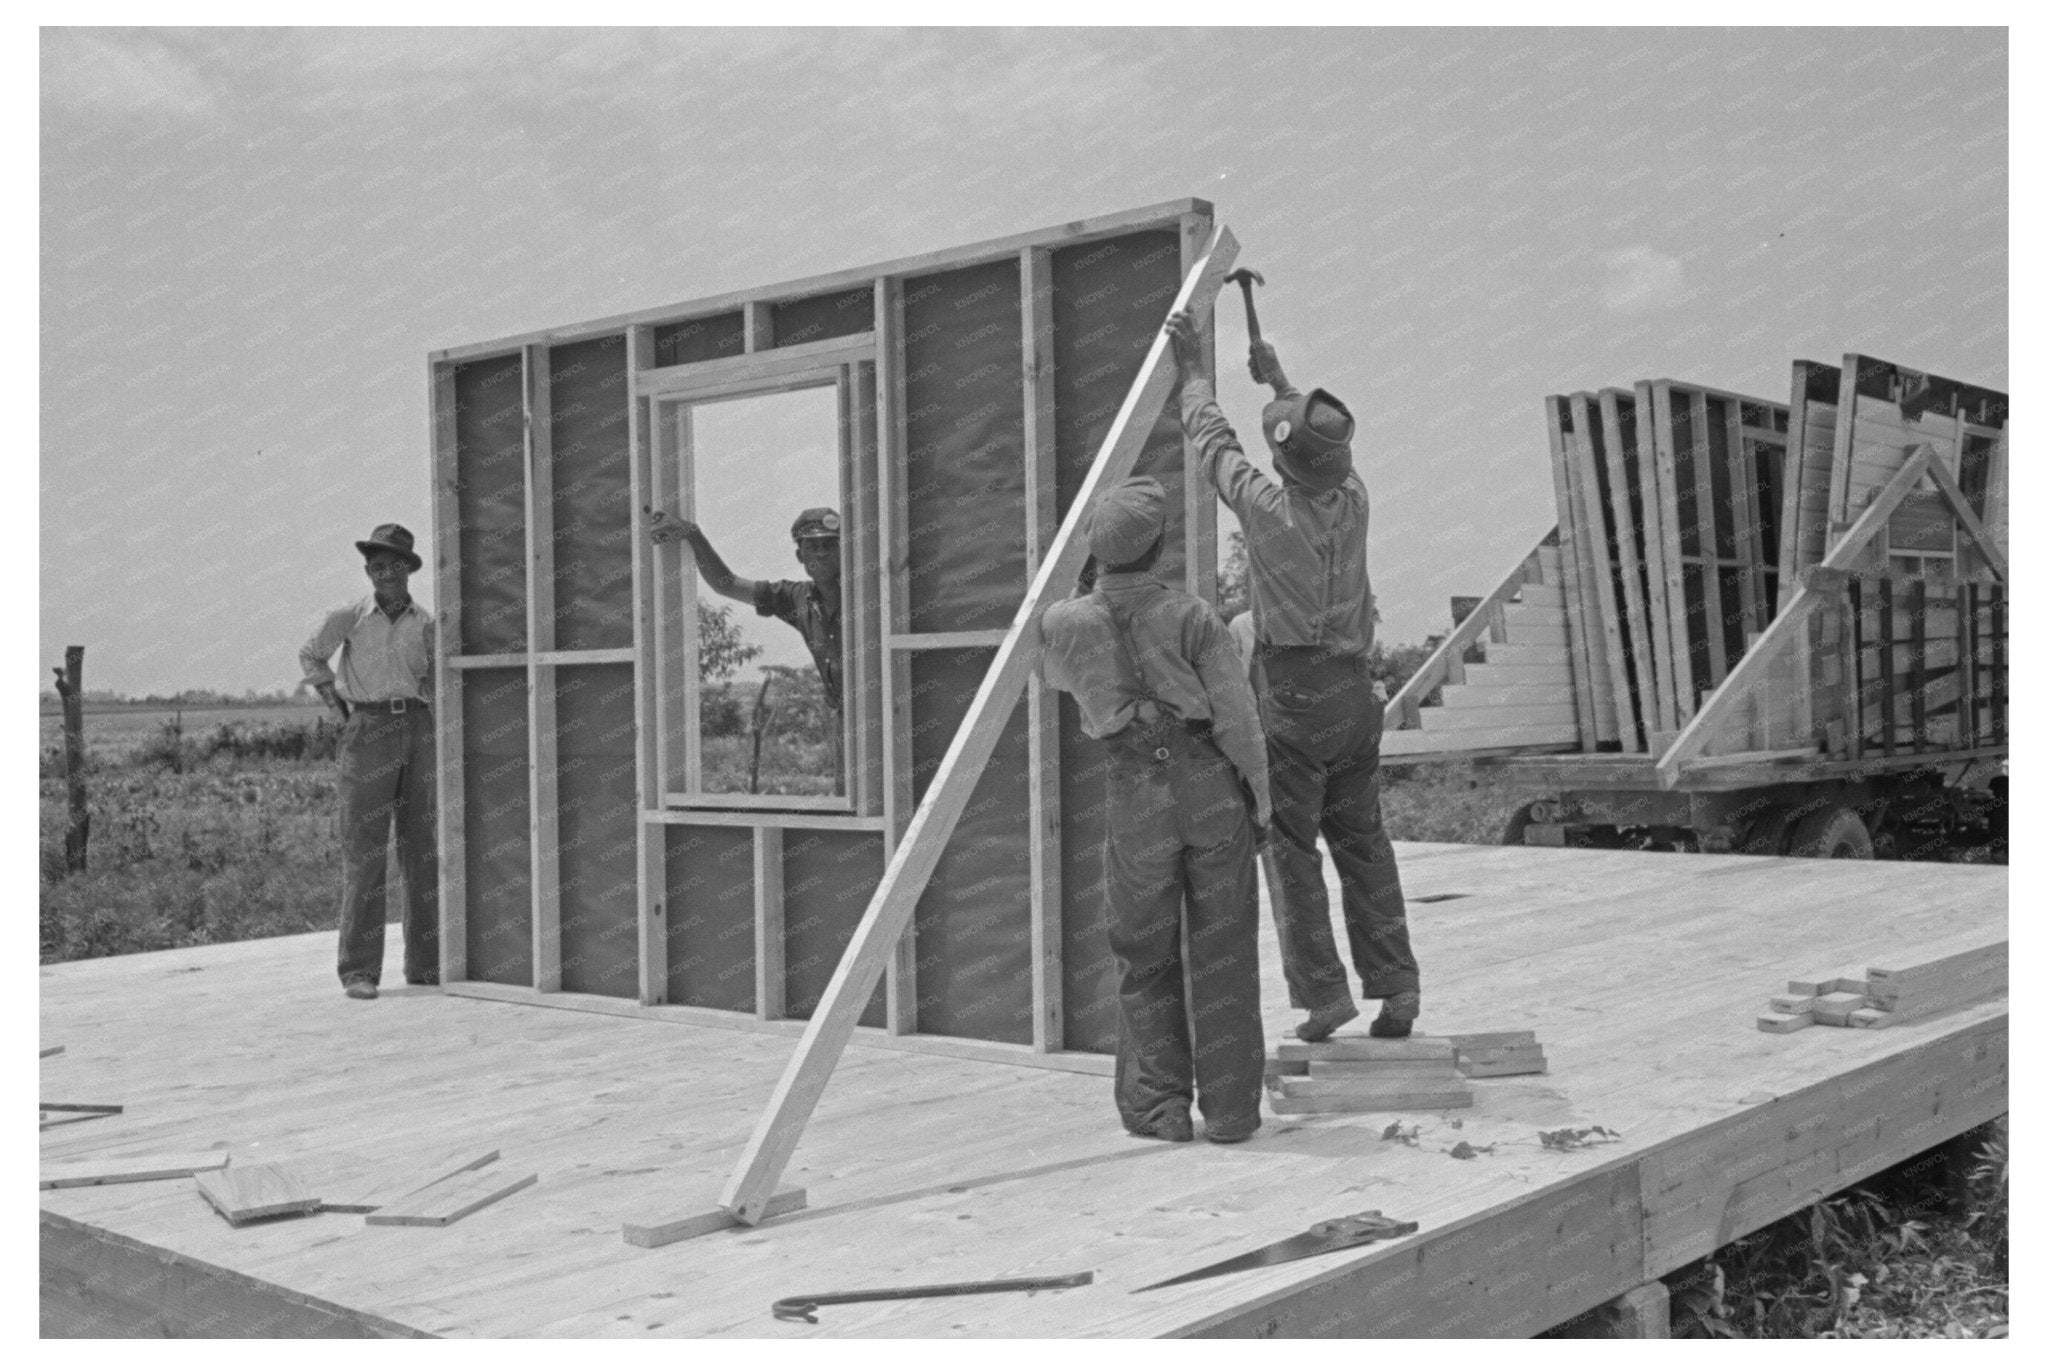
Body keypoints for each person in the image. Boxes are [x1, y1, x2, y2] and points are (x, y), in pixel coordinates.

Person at [1167, 308, 1423, 1042]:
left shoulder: (1268, 509)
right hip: (1354, 693)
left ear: (1283, 462)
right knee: (1364, 842)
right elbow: (1317, 442)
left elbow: (1213, 442)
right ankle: (1397, 988)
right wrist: (1277, 381)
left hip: (1295, 695)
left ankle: (1323, 993)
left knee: (1289, 846)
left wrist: (1192, 371)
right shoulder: (1356, 500)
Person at [1038, 477, 1273, 1145]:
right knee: (1223, 951)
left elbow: (1052, 672)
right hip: (1207, 784)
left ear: (1096, 548)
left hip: (1134, 789)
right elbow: (1238, 721)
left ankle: (1158, 1107)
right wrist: (1259, 800)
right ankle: (1230, 1112)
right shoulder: (1193, 616)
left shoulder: (1062, 622)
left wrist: (1094, 576)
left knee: (1143, 952)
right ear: (1160, 543)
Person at [299, 523, 438, 1001]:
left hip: (419, 729)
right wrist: (338, 709)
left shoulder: (426, 622)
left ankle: (426, 965)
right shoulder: (350, 617)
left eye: (395, 565)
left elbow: (438, 676)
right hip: (368, 729)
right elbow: (311, 655)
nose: (386, 573)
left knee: (422, 850)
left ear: (409, 570)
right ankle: (359, 971)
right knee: (366, 853)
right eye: (377, 566)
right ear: (368, 571)